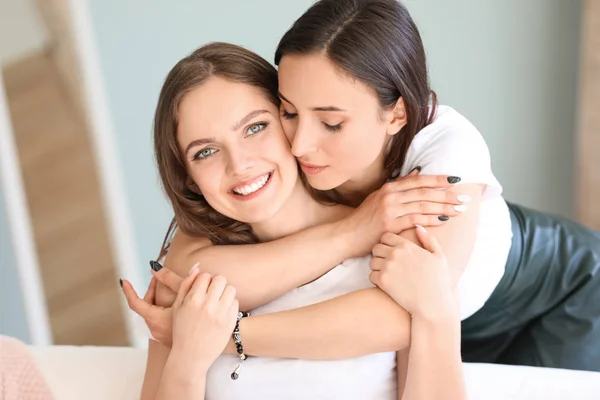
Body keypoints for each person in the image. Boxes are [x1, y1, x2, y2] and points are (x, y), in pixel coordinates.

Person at [129, 0, 600, 372]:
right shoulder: (263, 150)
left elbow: (401, 317)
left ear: (396, 113)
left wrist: (225, 335)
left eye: (332, 123)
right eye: (288, 112)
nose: (301, 143)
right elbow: (191, 269)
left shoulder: (446, 151)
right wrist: (354, 229)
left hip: (558, 291)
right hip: (450, 330)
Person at [131, 41, 466, 399]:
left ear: (290, 122)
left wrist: (231, 336)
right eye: (206, 152)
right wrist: (187, 357)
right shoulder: (189, 286)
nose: (239, 165)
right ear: (188, 177)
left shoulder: (390, 247)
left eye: (255, 128)